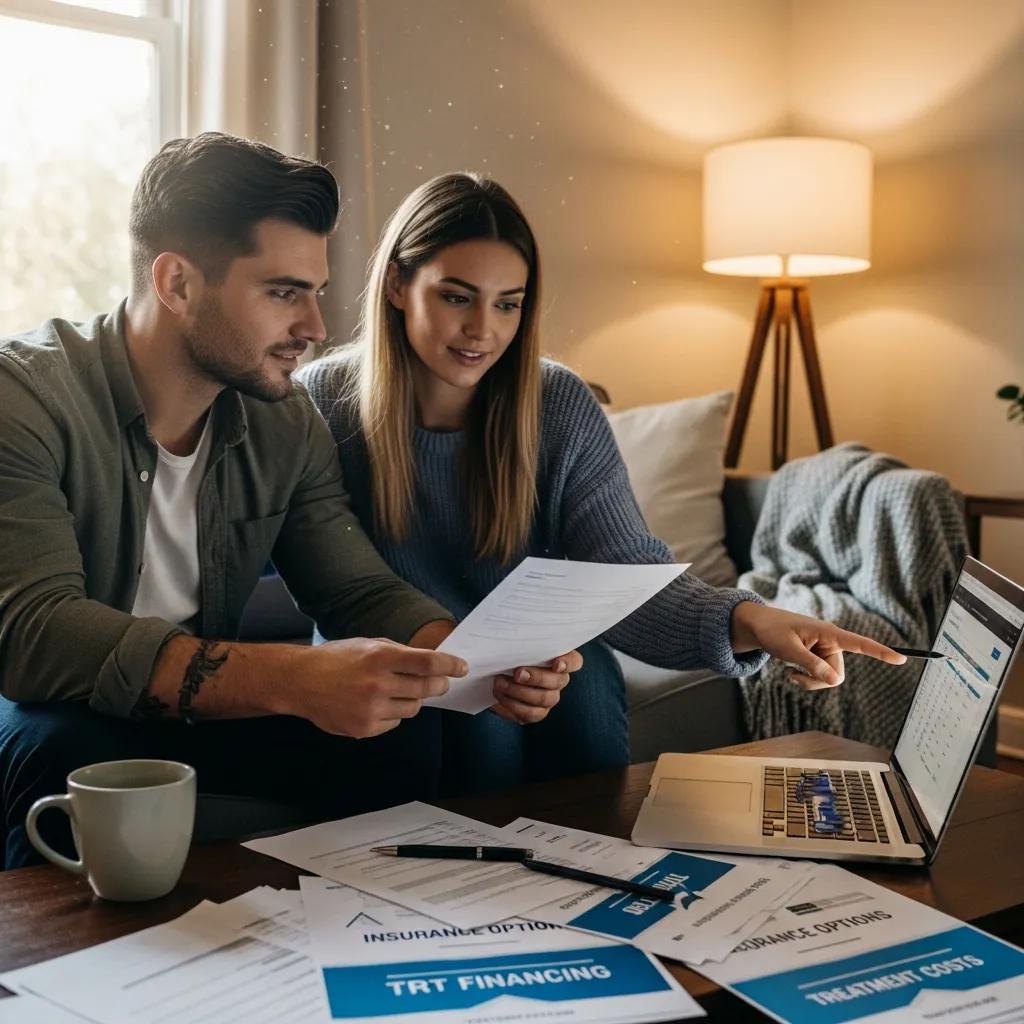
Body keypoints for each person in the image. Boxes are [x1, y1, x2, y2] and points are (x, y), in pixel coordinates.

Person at [0, 137, 580, 870]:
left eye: (315, 290)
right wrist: (293, 678)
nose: (315, 326)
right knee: (65, 749)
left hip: (197, 711)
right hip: (45, 712)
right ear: (177, 283)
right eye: (283, 292)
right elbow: (35, 637)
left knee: (403, 726)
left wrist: (474, 661)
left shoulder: (284, 420)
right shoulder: (22, 398)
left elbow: (354, 588)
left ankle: (348, 940)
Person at [296, 172, 908, 794]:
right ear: (398, 284)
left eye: (508, 303)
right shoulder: (321, 401)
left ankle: (594, 872)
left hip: (546, 667)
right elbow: (335, 586)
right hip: (387, 660)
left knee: (581, 685)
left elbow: (625, 572)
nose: (484, 329)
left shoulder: (556, 401)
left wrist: (756, 621)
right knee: (479, 725)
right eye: (457, 297)